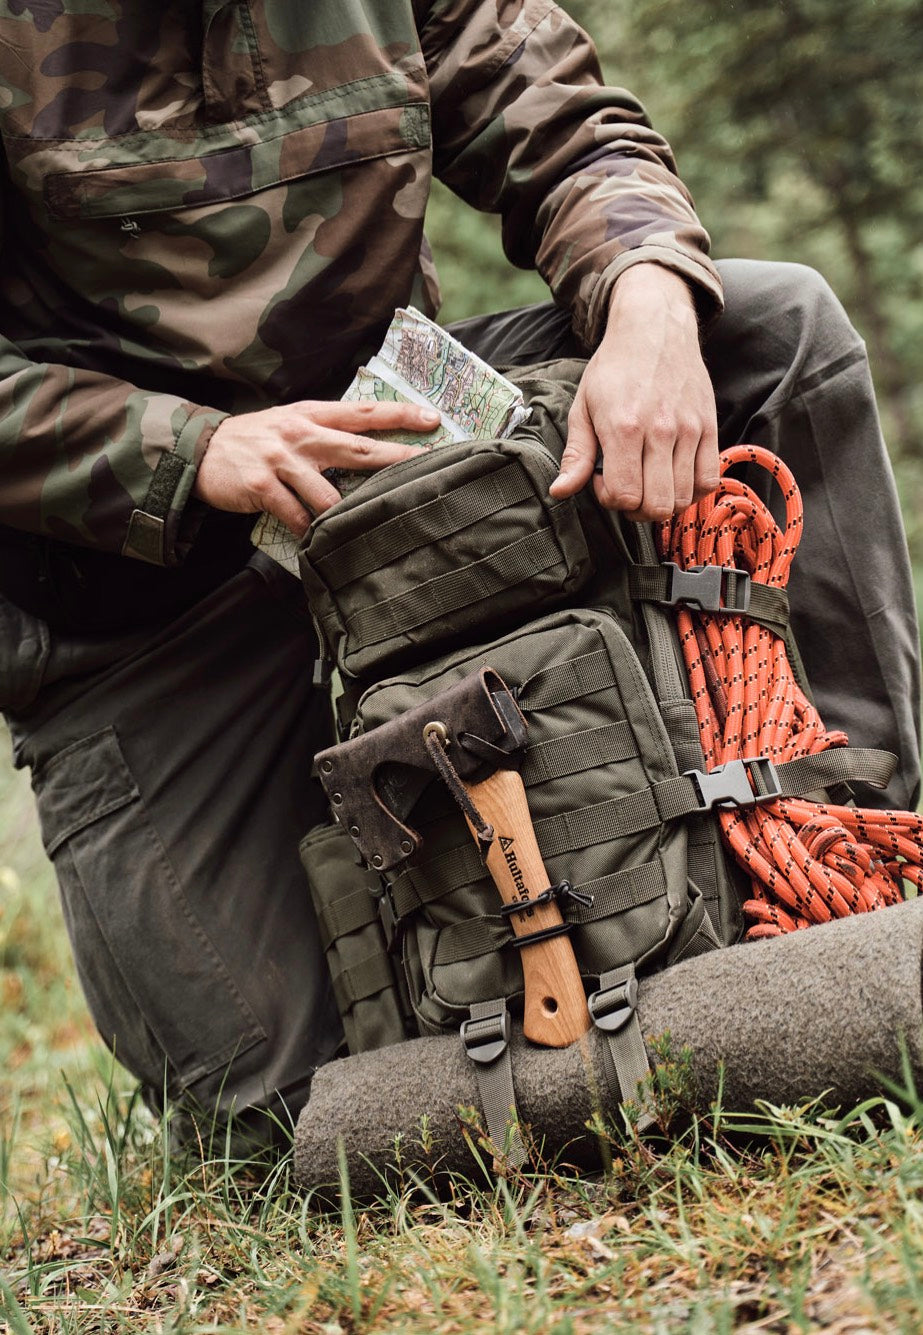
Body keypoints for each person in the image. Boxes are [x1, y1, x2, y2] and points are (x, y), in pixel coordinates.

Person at [0, 1, 918, 1148]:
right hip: (143, 610)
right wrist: (192, 449)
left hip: (410, 489)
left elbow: (565, 125)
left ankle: (852, 860)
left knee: (772, 328)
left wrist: (642, 295)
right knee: (282, 1130)